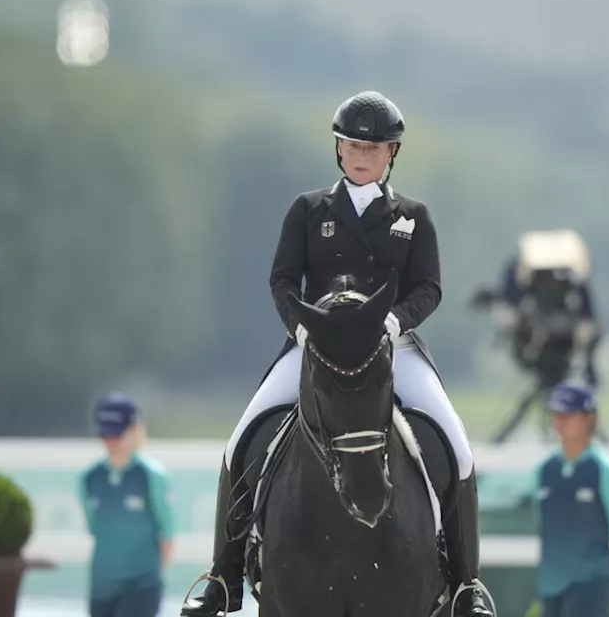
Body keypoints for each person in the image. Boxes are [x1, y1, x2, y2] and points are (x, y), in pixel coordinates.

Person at [180, 90, 492, 617]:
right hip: (315, 346)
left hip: (392, 347)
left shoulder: (412, 216)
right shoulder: (307, 210)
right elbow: (282, 279)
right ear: (339, 149)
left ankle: (467, 586)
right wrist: (301, 331)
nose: (361, 155)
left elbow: (429, 288)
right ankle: (223, 577)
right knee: (240, 442)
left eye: (373, 147)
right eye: (352, 145)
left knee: (457, 447)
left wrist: (394, 323)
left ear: (392, 152)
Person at [532, 381, 609, 617]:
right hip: (550, 585)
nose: (560, 420)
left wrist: (607, 582)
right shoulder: (544, 470)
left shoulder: (605, 470)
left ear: (588, 417)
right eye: (556, 413)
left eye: (568, 413)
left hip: (591, 584)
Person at [81, 392, 175, 617]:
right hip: (101, 585)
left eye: (117, 433)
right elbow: (95, 527)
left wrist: (150, 577)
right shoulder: (89, 478)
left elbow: (167, 532)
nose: (110, 441)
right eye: (105, 434)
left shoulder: (152, 476)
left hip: (141, 586)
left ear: (134, 430)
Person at [498, 230, 602, 388]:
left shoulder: (567, 281)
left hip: (556, 334)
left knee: (587, 335)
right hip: (548, 333)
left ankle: (589, 375)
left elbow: (512, 298)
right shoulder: (568, 280)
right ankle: (589, 377)